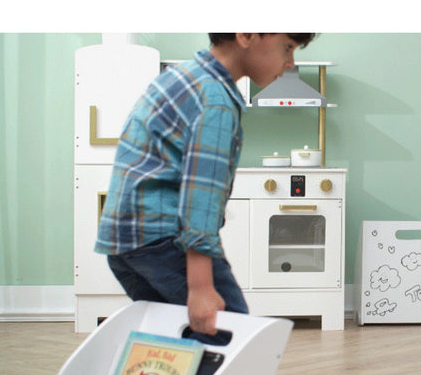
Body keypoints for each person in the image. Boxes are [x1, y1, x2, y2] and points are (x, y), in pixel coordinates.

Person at [95, 33, 316, 339]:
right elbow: (201, 197)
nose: (290, 63)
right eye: (288, 47)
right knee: (228, 334)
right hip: (164, 240)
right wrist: (201, 287)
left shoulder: (180, 76)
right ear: (247, 35)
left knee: (172, 342)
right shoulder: (216, 101)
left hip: (125, 241)